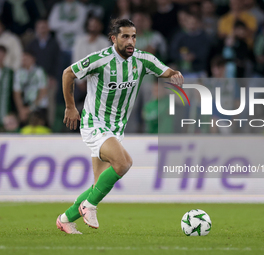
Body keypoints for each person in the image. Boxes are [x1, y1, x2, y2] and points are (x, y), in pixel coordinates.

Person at [56, 18, 183, 234]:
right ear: (114, 39)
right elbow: (68, 73)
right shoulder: (101, 59)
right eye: (125, 36)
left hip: (116, 129)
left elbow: (166, 71)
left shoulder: (142, 60)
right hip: (94, 123)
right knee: (124, 163)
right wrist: (70, 107)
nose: (131, 41)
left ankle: (65, 219)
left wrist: (175, 75)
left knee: (99, 185)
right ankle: (89, 206)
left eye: (133, 36)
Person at [13, 50, 47, 124]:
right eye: (23, 59)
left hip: (38, 106)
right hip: (25, 105)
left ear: (33, 59)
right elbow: (16, 93)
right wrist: (21, 109)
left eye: (26, 58)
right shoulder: (19, 73)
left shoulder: (39, 72)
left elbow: (43, 92)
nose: (24, 60)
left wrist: (30, 109)